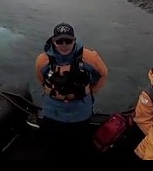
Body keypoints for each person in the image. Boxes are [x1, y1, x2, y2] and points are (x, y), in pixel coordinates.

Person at [34, 22, 108, 160]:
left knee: (79, 148)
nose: (64, 44)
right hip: (53, 112)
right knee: (53, 148)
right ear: (53, 41)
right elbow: (41, 79)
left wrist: (92, 90)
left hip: (80, 112)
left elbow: (103, 73)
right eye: (59, 41)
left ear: (74, 40)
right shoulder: (42, 60)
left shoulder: (89, 57)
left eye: (68, 40)